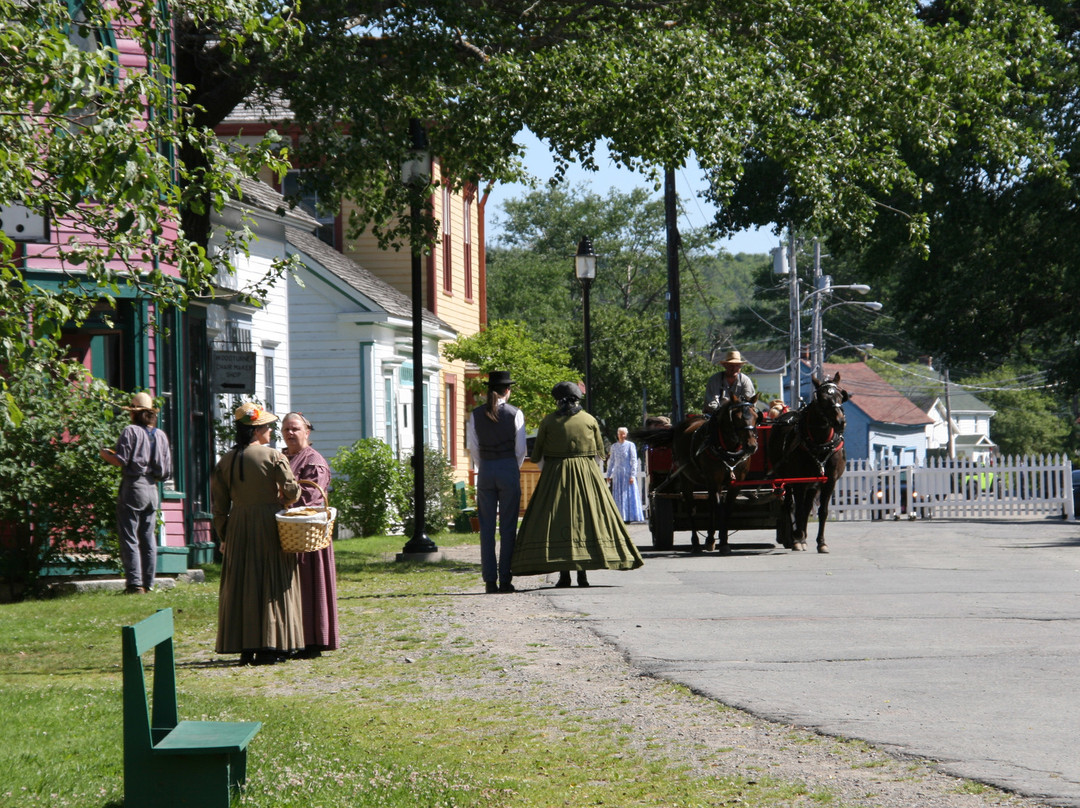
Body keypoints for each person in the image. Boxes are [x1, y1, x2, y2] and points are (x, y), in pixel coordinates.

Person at [512, 382, 644, 588]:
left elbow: (537, 456)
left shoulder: (549, 421)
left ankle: (564, 576)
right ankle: (583, 575)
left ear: (558, 400)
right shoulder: (590, 420)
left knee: (558, 522)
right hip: (587, 475)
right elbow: (600, 455)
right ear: (577, 399)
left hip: (556, 475)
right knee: (587, 520)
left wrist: (550, 471)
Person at [212, 402, 303, 666]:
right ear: (256, 430)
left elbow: (219, 507)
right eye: (267, 426)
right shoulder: (273, 456)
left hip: (238, 523)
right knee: (272, 579)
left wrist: (225, 536)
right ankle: (271, 645)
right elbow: (293, 491)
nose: (272, 430)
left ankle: (244, 646)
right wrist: (282, 499)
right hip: (268, 522)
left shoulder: (225, 461)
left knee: (243, 583)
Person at [100, 392, 172, 594]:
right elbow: (166, 471)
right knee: (148, 538)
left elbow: (120, 459)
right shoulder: (160, 435)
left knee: (129, 536)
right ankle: (149, 583)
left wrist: (105, 454)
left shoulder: (130, 431)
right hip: (152, 489)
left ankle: (134, 583)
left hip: (133, 486)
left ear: (134, 413)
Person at [281, 412, 339, 659]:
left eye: (295, 429)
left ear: (307, 431)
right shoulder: (282, 457)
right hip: (288, 534)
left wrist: (279, 500)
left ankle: (314, 641)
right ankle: (290, 638)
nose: (290, 433)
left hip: (309, 535)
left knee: (310, 587)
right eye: (286, 429)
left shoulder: (313, 461)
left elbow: (310, 499)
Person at [466, 370, 527, 594]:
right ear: (507, 391)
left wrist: (485, 467)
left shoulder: (476, 414)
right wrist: (511, 467)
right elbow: (520, 450)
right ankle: (505, 579)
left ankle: (489, 580)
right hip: (507, 467)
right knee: (508, 527)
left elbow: (474, 448)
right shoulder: (515, 414)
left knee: (487, 527)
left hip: (486, 470)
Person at [606, 427, 644, 523]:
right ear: (617, 434)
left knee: (628, 494)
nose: (622, 436)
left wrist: (632, 475)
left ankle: (629, 516)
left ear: (626, 435)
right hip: (618, 474)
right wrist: (609, 474)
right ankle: (619, 516)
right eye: (620, 434)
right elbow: (612, 461)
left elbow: (634, 461)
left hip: (627, 473)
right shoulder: (614, 446)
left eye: (624, 434)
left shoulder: (630, 445)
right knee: (618, 494)